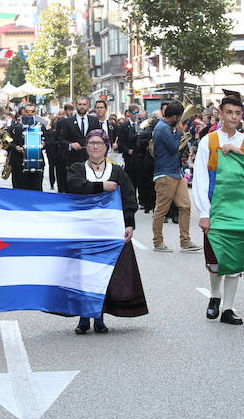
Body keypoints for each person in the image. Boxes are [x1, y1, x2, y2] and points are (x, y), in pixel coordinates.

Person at [66, 129, 147, 333]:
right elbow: (74, 186)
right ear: (86, 146)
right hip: (84, 230)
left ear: (106, 146)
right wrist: (101, 186)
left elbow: (129, 197)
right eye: (91, 143)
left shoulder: (117, 171)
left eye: (99, 143)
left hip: (108, 232)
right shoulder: (77, 168)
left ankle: (99, 316)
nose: (95, 146)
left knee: (104, 273)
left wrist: (129, 223)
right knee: (84, 274)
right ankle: (84, 317)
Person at [192, 96, 244, 325]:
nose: (233, 117)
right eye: (229, 112)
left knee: (234, 261)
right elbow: (201, 179)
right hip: (216, 208)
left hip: (239, 210)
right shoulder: (208, 142)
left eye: (237, 113)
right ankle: (215, 296)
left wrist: (240, 154)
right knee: (214, 261)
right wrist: (204, 212)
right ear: (220, 114)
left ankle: (228, 308)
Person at [152, 102, 200, 253]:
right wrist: (179, 132)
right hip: (165, 174)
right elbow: (174, 148)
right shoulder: (162, 128)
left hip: (175, 172)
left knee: (185, 206)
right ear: (174, 117)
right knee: (161, 210)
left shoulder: (166, 127)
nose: (181, 121)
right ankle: (158, 242)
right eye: (180, 118)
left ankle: (185, 241)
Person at [7, 103, 46, 191]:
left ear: (35, 112)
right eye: (27, 111)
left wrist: (44, 144)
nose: (29, 113)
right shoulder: (14, 127)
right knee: (20, 190)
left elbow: (50, 141)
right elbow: (7, 142)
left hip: (36, 164)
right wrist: (15, 147)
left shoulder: (41, 127)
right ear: (23, 112)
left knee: (36, 190)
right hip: (19, 163)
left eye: (31, 111)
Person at [60, 97, 100, 169]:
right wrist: (71, 145)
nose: (82, 107)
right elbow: (61, 139)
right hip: (73, 160)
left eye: (84, 104)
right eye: (80, 104)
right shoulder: (67, 122)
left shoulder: (94, 120)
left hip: (91, 159)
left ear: (88, 106)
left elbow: (99, 137)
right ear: (76, 106)